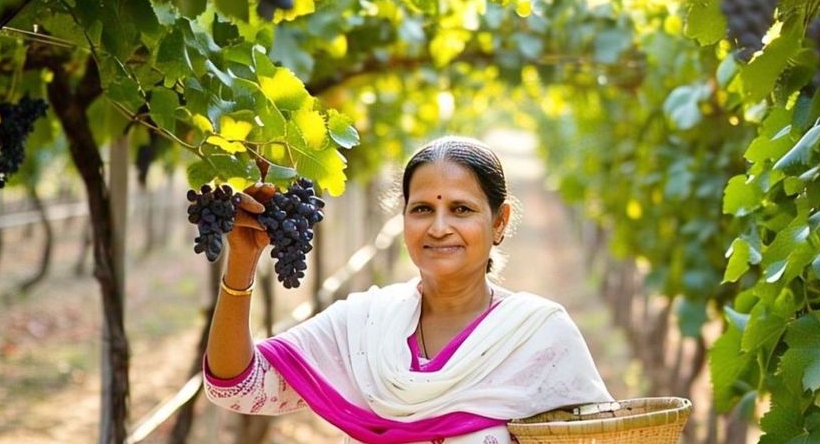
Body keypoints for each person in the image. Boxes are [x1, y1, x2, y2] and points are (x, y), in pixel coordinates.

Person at [203, 136, 613, 444]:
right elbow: (238, 387)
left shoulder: (539, 335)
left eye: (461, 209)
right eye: (422, 209)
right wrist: (242, 260)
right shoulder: (364, 325)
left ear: (499, 222)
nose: (438, 227)